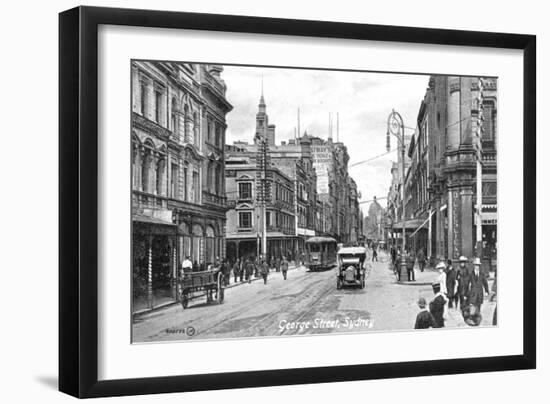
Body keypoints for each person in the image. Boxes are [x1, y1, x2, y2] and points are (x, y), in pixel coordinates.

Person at [464, 257, 489, 325]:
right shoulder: (471, 274)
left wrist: (486, 291)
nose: (477, 267)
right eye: (476, 265)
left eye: (478, 265)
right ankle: (472, 319)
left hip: (480, 293)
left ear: (479, 266)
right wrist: (465, 294)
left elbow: (485, 283)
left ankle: (477, 320)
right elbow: (466, 284)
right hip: (473, 293)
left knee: (479, 306)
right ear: (474, 266)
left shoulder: (482, 274)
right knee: (473, 307)